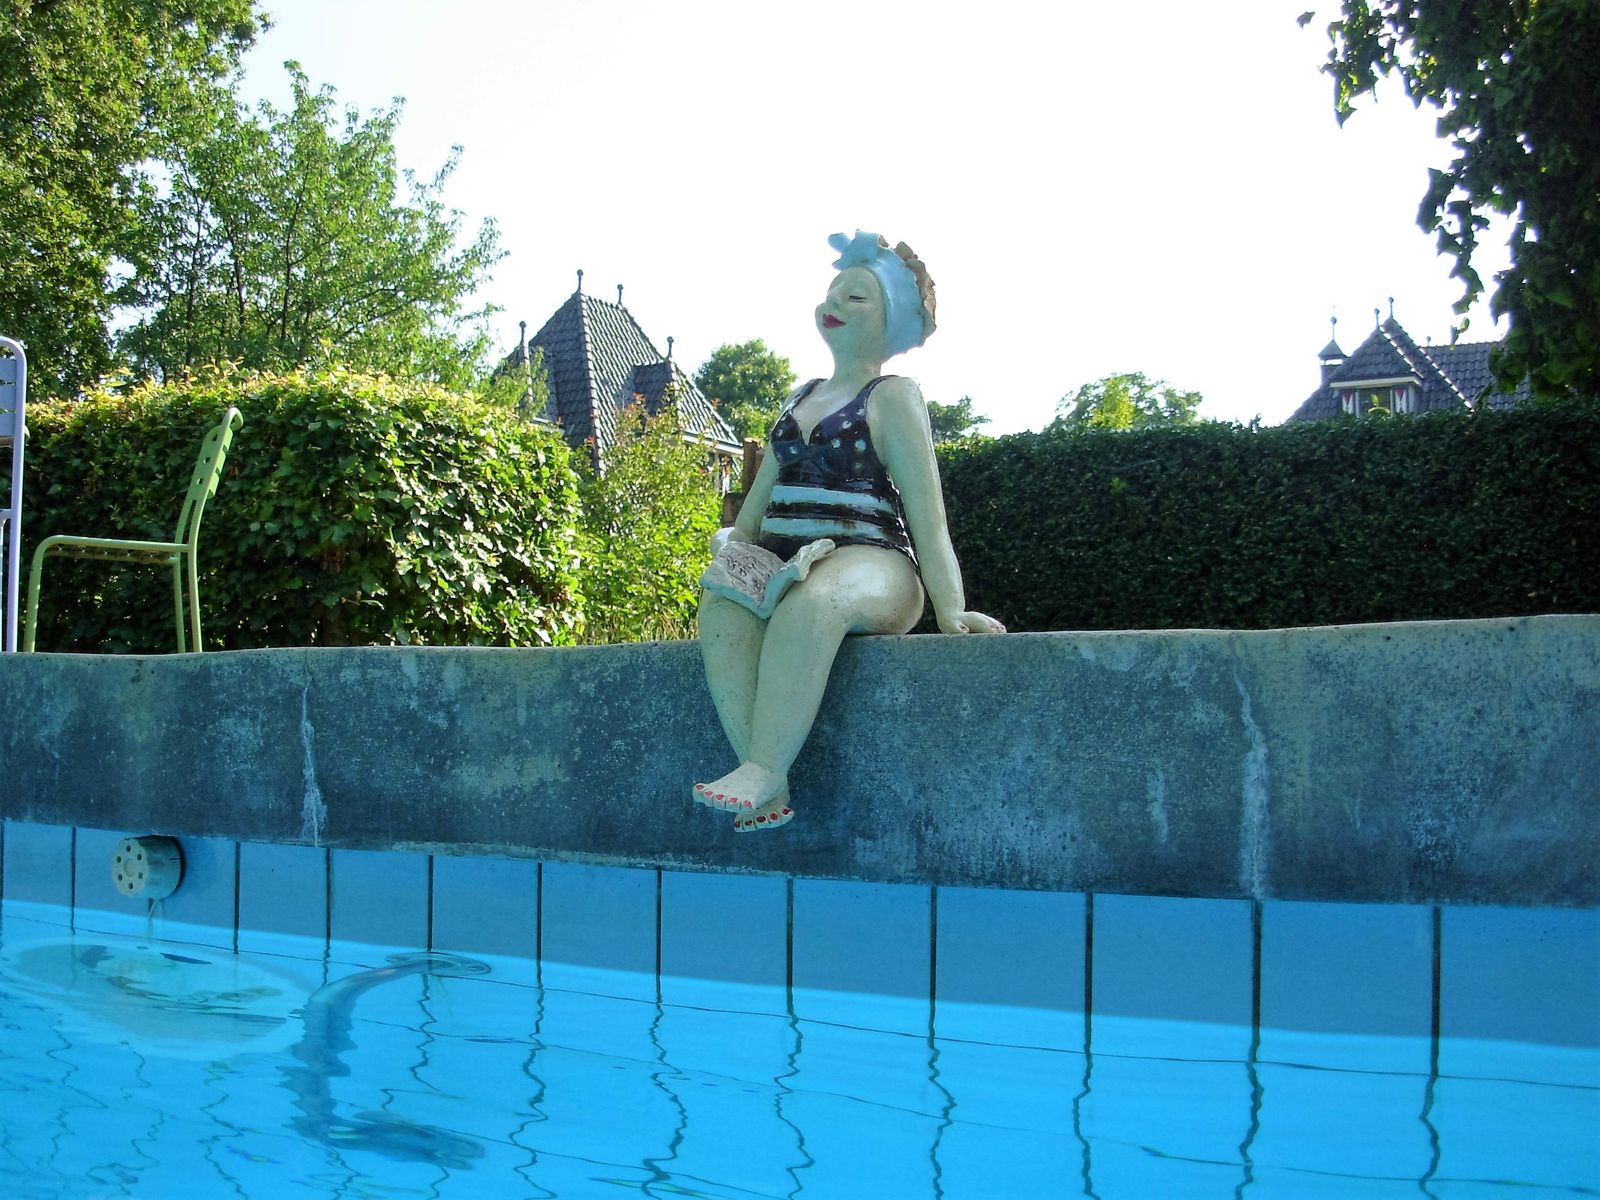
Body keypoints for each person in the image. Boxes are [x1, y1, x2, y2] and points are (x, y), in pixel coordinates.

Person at [694, 231, 1004, 832]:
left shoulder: (893, 397)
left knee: (814, 600)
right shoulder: (800, 397)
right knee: (723, 605)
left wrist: (951, 608)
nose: (834, 302)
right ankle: (768, 780)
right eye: (833, 292)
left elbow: (928, 517)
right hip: (785, 558)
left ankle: (763, 765)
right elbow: (755, 509)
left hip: (876, 565)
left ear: (893, 321)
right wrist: (734, 558)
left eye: (856, 296)